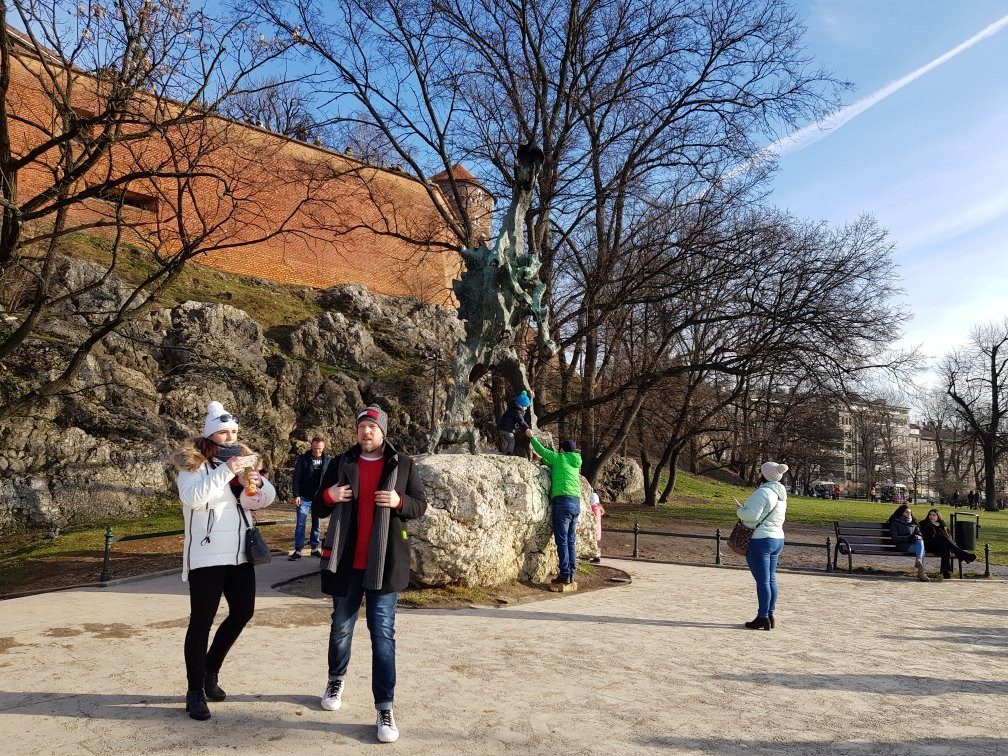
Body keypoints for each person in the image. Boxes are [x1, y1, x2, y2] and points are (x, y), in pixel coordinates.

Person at [312, 404, 427, 744]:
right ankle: (336, 680)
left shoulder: (403, 464)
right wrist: (330, 496)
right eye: (362, 427)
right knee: (341, 628)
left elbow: (419, 505)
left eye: (372, 428)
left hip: (384, 563)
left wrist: (398, 501)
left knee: (383, 637)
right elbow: (318, 504)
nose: (366, 432)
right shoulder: (342, 463)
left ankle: (384, 707)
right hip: (346, 563)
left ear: (383, 432)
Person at [172, 400, 276, 721]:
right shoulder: (192, 463)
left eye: (233, 432)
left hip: (240, 552)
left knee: (243, 611)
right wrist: (224, 471)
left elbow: (268, 496)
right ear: (211, 434)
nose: (230, 438)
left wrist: (255, 484)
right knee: (201, 621)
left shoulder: (243, 462)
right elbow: (192, 498)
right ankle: (193, 692)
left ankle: (209, 672)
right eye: (224, 432)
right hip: (207, 553)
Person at [525, 428, 583, 584]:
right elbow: (555, 465)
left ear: (563, 450)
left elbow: (542, 450)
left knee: (562, 541)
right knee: (571, 540)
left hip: (563, 503)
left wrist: (531, 437)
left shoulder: (560, 458)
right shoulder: (575, 462)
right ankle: (571, 573)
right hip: (576, 503)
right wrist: (542, 461)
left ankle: (564, 574)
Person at [737, 462, 788, 631]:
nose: (758, 473)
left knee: (763, 581)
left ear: (764, 475)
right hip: (777, 538)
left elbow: (751, 516)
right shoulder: (781, 493)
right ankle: (769, 614)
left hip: (761, 540)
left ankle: (762, 617)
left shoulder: (763, 492)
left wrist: (739, 510)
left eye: (760, 471)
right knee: (771, 579)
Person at [289, 437, 333, 560]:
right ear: (311, 446)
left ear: (323, 448)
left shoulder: (328, 460)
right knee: (300, 523)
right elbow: (296, 477)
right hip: (304, 497)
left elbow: (330, 479)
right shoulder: (303, 459)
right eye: (314, 449)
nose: (317, 451)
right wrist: (296, 495)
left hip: (319, 498)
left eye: (319, 449)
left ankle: (314, 548)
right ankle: (298, 550)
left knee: (317, 524)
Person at [919, 508, 977, 578]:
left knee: (945, 545)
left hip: (941, 547)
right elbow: (927, 537)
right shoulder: (924, 524)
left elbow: (949, 538)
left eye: (934, 515)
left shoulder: (942, 526)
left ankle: (946, 572)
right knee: (943, 538)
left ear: (938, 516)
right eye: (930, 515)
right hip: (929, 546)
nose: (931, 516)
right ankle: (963, 555)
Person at [887, 504, 929, 582]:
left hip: (915, 544)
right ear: (901, 512)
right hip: (902, 545)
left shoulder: (914, 523)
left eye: (910, 512)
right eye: (906, 512)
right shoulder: (895, 523)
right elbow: (895, 538)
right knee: (922, 550)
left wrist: (916, 537)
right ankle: (921, 572)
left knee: (920, 541)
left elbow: (920, 535)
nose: (909, 514)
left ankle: (919, 560)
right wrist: (909, 538)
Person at [498, 391, 531, 455]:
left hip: (502, 427)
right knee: (511, 441)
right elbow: (521, 421)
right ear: (521, 405)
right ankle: (509, 453)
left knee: (508, 441)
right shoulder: (518, 412)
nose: (526, 408)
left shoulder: (512, 408)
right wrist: (526, 428)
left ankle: (505, 451)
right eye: (526, 406)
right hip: (507, 429)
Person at [588, 491, 604, 564]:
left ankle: (597, 558)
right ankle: (595, 557)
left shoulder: (594, 508)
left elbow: (594, 519)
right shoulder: (598, 508)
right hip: (597, 529)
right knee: (594, 543)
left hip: (594, 529)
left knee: (594, 544)